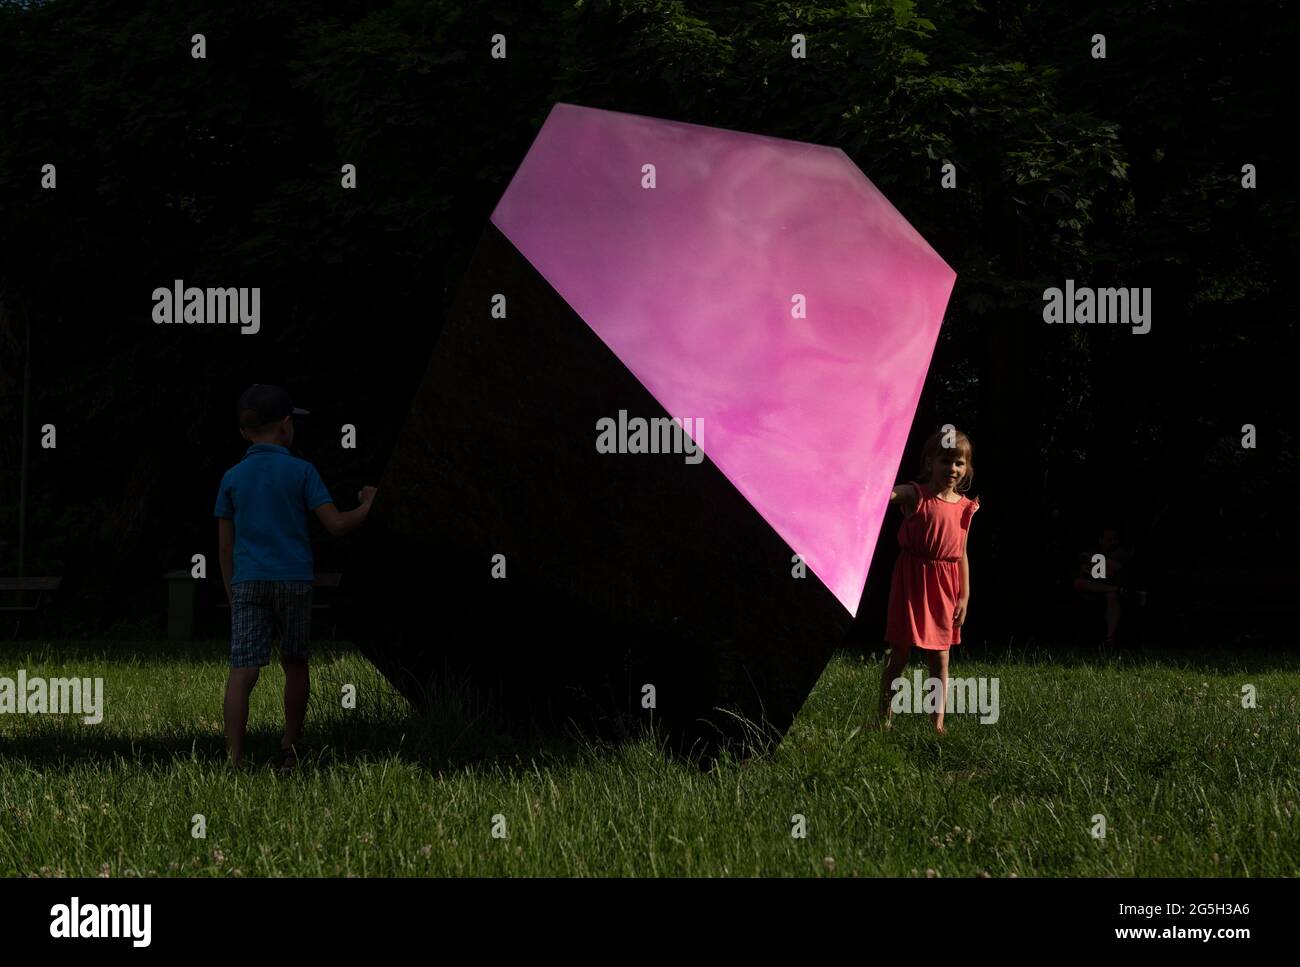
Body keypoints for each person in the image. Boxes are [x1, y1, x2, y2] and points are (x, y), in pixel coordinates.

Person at [214, 384, 378, 771]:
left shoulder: (232, 478)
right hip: (293, 581)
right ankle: (290, 747)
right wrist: (369, 505)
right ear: (286, 426)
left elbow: (224, 548)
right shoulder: (302, 471)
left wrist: (232, 593)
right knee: (295, 663)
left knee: (243, 670)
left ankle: (234, 758)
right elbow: (336, 525)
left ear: (243, 432)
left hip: (248, 583)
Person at [877, 427, 979, 735]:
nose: (952, 469)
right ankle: (883, 718)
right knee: (900, 654)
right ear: (929, 462)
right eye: (945, 461)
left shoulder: (964, 507)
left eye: (959, 463)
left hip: (945, 586)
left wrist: (964, 597)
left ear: (967, 468)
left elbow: (960, 553)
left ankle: (937, 724)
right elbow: (890, 493)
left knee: (941, 657)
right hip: (912, 581)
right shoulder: (916, 494)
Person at [1073, 525, 1143, 645]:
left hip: (1112, 591)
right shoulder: (1092, 552)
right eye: (1109, 540)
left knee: (1112, 595)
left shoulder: (1122, 553)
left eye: (1115, 540)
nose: (1113, 543)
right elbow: (1084, 572)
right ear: (1101, 540)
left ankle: (1110, 639)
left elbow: (1114, 570)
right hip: (1095, 588)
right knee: (1078, 583)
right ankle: (1116, 589)